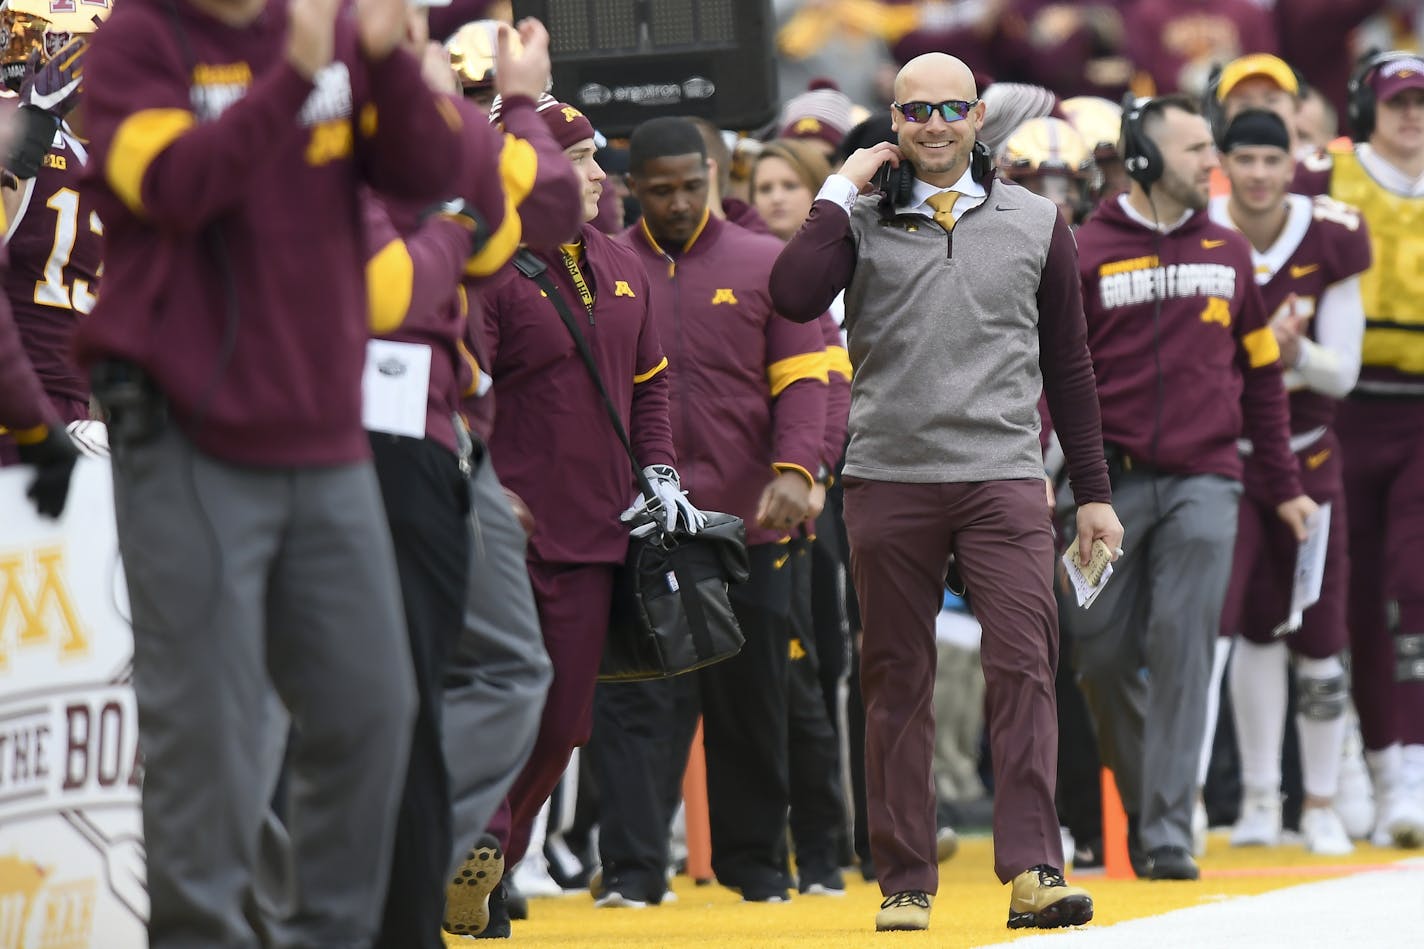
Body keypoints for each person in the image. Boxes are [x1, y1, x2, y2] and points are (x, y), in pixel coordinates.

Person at [75, 0, 469, 943]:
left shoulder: (328, 31)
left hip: (328, 439)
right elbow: (175, 186)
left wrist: (397, 65)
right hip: (189, 438)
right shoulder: (137, 38)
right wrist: (292, 80)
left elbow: (428, 173)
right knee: (207, 733)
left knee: (373, 711)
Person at [771, 52, 1120, 933]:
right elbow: (790, 293)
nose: (934, 124)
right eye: (915, 110)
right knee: (896, 678)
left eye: (951, 107)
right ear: (894, 123)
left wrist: (1093, 491)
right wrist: (841, 187)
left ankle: (1036, 867)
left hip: (1004, 475)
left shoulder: (1038, 219)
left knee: (1023, 667)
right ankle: (904, 879)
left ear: (976, 118)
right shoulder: (858, 220)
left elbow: (1070, 366)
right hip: (888, 476)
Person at [358, 13, 581, 946]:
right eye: (412, 33)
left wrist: (524, 105)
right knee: (377, 679)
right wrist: (458, 221)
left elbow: (551, 209)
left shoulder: (440, 140)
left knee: (507, 668)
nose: (437, 57)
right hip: (356, 426)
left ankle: (394, 873)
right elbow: (390, 290)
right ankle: (361, 881)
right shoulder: (334, 137)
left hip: (445, 429)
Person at [1071, 94, 1316, 882]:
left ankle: (1171, 830)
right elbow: (1054, 377)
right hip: (1108, 486)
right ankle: (1151, 805)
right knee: (1098, 653)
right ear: (1141, 160)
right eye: (1195, 150)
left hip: (1210, 480)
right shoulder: (1084, 250)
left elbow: (1263, 379)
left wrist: (1282, 484)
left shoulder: (1229, 249)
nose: (1212, 163)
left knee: (1181, 647)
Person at [476, 94, 700, 938]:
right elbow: (460, 394)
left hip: (599, 532)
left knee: (566, 721)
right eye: (579, 157)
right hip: (500, 531)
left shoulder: (620, 260)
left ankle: (491, 855)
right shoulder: (483, 269)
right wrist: (479, 488)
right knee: (496, 703)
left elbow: (651, 386)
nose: (600, 173)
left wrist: (661, 471)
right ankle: (481, 851)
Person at [591, 116, 830, 908]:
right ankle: (630, 870)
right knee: (632, 700)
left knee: (752, 698)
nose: (679, 202)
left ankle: (758, 865)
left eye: (693, 186)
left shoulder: (768, 262)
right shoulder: (603, 266)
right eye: (660, 190)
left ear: (714, 177)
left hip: (746, 522)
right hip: (639, 524)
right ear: (632, 188)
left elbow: (805, 382)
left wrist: (799, 470)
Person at [1207, 108, 1372, 857]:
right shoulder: (1203, 229)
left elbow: (1345, 369)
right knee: (1246, 626)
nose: (1260, 176)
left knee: (1321, 627)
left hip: (1307, 452)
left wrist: (1289, 354)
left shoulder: (1330, 233)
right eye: (1245, 160)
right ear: (1224, 162)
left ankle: (1324, 800)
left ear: (1290, 164)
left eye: (1272, 161)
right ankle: (1260, 796)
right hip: (1228, 454)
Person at [1294, 51, 1424, 847]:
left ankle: (1410, 759)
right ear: (1365, 106)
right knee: (1352, 591)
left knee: (1413, 579)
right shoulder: (1323, 178)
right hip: (1339, 404)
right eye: (1398, 101)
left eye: (1421, 102)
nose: (1412, 115)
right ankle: (1375, 765)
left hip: (1420, 412)